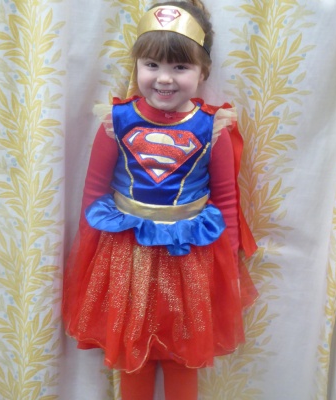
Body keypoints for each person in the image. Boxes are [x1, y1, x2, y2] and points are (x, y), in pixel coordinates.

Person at [62, 1, 258, 399]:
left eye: (180, 67)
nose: (164, 78)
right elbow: (94, 190)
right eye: (152, 64)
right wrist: (89, 255)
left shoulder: (212, 128)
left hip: (189, 258)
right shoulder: (116, 122)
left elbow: (225, 200)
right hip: (125, 255)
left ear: (203, 71)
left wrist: (230, 266)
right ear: (136, 65)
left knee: (183, 352)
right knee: (133, 349)